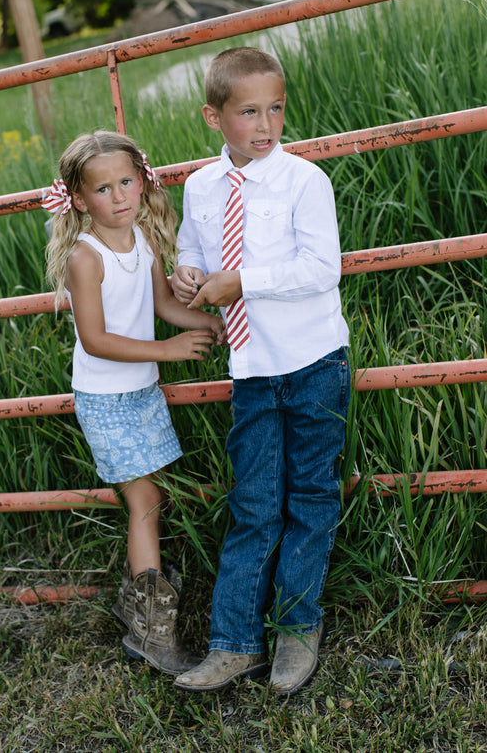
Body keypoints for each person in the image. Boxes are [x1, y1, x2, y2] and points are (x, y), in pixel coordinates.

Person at [171, 47, 351, 694]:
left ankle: (298, 631)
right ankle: (234, 643)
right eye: (249, 111)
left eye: (275, 107)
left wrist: (240, 282)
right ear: (214, 117)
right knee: (252, 504)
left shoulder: (306, 182)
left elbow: (320, 269)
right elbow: (193, 249)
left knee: (309, 497)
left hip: (312, 363)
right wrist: (187, 272)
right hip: (250, 369)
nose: (266, 123)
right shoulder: (199, 187)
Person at [43, 130, 225, 675]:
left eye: (127, 182)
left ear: (142, 181)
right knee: (143, 503)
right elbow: (95, 339)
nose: (119, 196)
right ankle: (151, 629)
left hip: (140, 391)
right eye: (103, 188)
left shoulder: (142, 239)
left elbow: (166, 304)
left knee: (152, 498)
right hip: (105, 397)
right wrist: (166, 350)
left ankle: (139, 601)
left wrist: (217, 324)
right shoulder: (86, 256)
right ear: (79, 199)